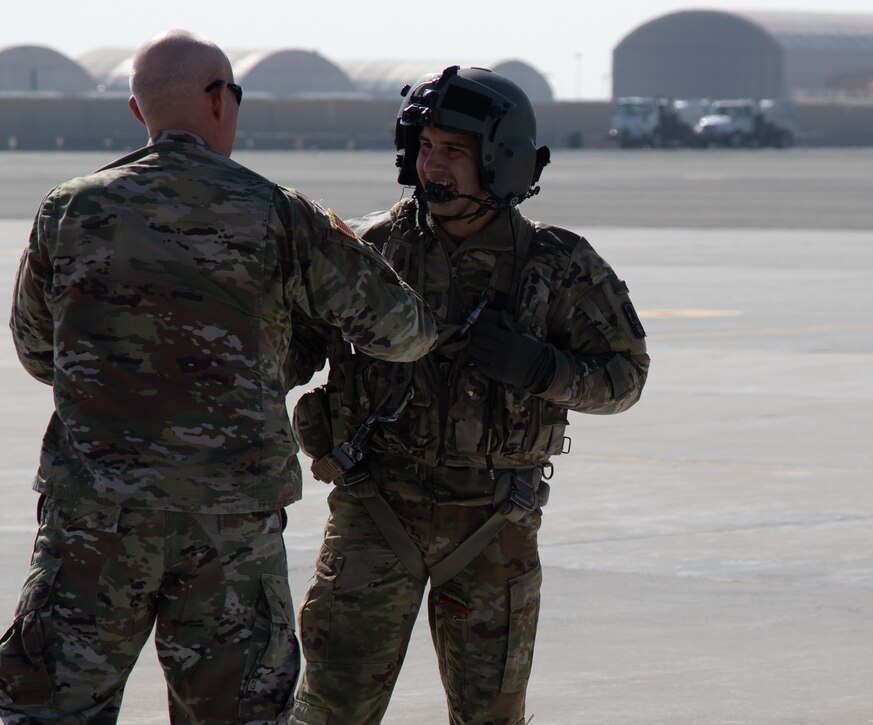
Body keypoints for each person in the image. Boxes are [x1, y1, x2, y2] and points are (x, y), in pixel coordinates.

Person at [2, 29, 436, 724]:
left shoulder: (72, 208)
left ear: (139, 114)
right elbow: (403, 332)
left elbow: (35, 350)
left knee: (51, 709)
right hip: (228, 530)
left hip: (94, 522)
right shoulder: (278, 212)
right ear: (215, 100)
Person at [287, 66, 650, 724]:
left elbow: (625, 377)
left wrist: (539, 366)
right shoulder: (368, 254)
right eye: (425, 148)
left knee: (491, 715)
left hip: (493, 525)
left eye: (453, 151)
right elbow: (284, 353)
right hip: (375, 513)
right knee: (329, 710)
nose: (434, 167)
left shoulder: (556, 265)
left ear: (500, 161)